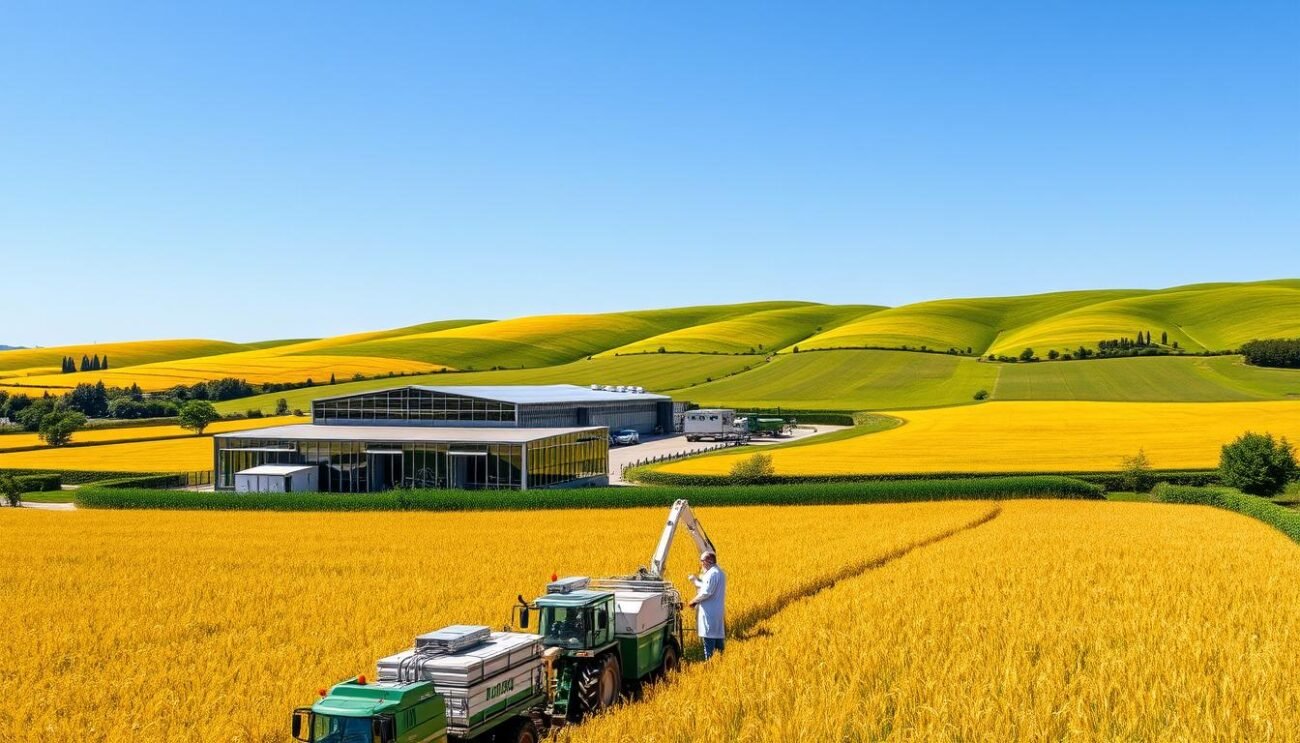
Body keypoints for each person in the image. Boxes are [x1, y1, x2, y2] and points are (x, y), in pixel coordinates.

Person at [687, 550, 727, 659]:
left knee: (709, 647)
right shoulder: (719, 572)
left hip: (710, 614)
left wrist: (694, 601)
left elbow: (706, 592)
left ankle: (709, 668)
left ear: (709, 561)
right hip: (716, 614)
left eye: (702, 561)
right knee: (719, 646)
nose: (701, 563)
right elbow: (706, 586)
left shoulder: (712, 574)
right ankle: (721, 665)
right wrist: (695, 581)